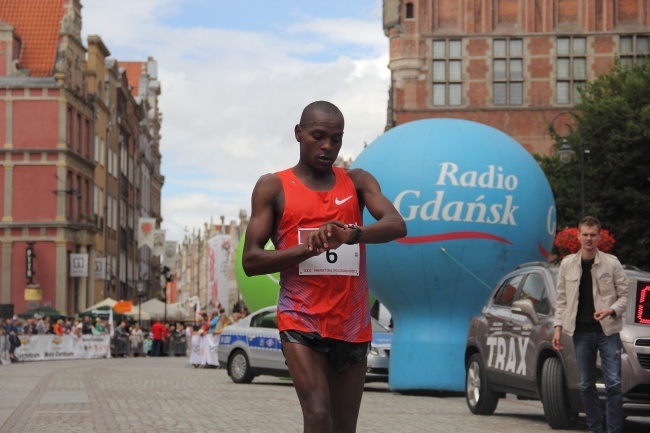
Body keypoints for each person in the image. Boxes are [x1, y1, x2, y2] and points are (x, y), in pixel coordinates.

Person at [242, 101, 407, 433]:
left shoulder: (358, 181)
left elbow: (396, 225)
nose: (328, 146)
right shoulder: (273, 186)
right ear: (299, 133)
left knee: (343, 427)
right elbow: (251, 261)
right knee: (318, 414)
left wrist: (352, 234)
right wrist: (307, 249)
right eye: (318, 136)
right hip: (301, 320)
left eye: (336, 139)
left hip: (351, 323)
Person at [552, 216, 628, 433]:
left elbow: (624, 296)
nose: (588, 238)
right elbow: (561, 300)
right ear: (578, 235)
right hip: (580, 333)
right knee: (586, 385)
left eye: (592, 235)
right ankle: (595, 429)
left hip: (608, 331)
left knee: (613, 384)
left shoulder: (611, 263)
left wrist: (610, 310)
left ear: (599, 237)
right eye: (585, 234)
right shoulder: (567, 264)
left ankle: (614, 430)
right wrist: (558, 328)